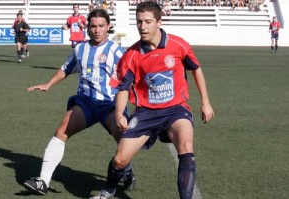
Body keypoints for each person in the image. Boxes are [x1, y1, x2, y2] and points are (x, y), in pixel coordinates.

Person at [90, 1, 215, 199]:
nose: (143, 27)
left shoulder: (178, 45)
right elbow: (123, 87)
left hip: (176, 109)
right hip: (146, 112)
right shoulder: (131, 54)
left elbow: (196, 69)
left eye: (148, 22)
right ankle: (109, 189)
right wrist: (119, 112)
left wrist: (205, 102)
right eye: (139, 22)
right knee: (120, 160)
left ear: (159, 21)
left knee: (186, 146)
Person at [23, 9, 135, 195]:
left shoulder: (117, 51)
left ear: (108, 27)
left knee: (122, 140)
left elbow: (131, 77)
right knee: (62, 131)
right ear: (87, 27)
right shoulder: (80, 48)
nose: (97, 30)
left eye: (101, 26)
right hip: (86, 103)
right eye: (93, 26)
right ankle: (43, 180)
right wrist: (48, 84)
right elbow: (66, 69)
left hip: (110, 104)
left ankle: (128, 171)